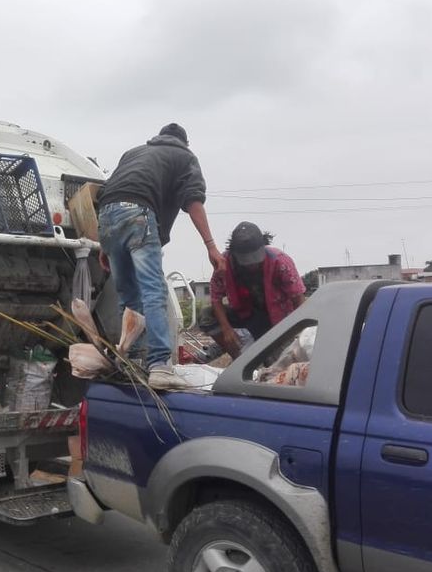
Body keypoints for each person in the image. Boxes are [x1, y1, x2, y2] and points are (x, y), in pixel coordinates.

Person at [97, 123, 225, 389]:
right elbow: (193, 200)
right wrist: (211, 246)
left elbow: (109, 193)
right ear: (184, 142)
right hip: (138, 214)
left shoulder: (133, 153)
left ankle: (132, 360)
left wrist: (105, 244)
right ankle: (159, 366)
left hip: (107, 216)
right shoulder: (184, 156)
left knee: (128, 296)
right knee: (153, 291)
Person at [200, 221, 306, 358]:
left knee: (272, 362)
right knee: (206, 315)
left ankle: (263, 357)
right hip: (245, 315)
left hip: (277, 321)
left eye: (255, 260)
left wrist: (299, 334)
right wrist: (226, 329)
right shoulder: (224, 263)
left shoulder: (280, 261)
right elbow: (216, 298)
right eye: (246, 261)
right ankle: (239, 359)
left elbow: (299, 299)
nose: (252, 265)